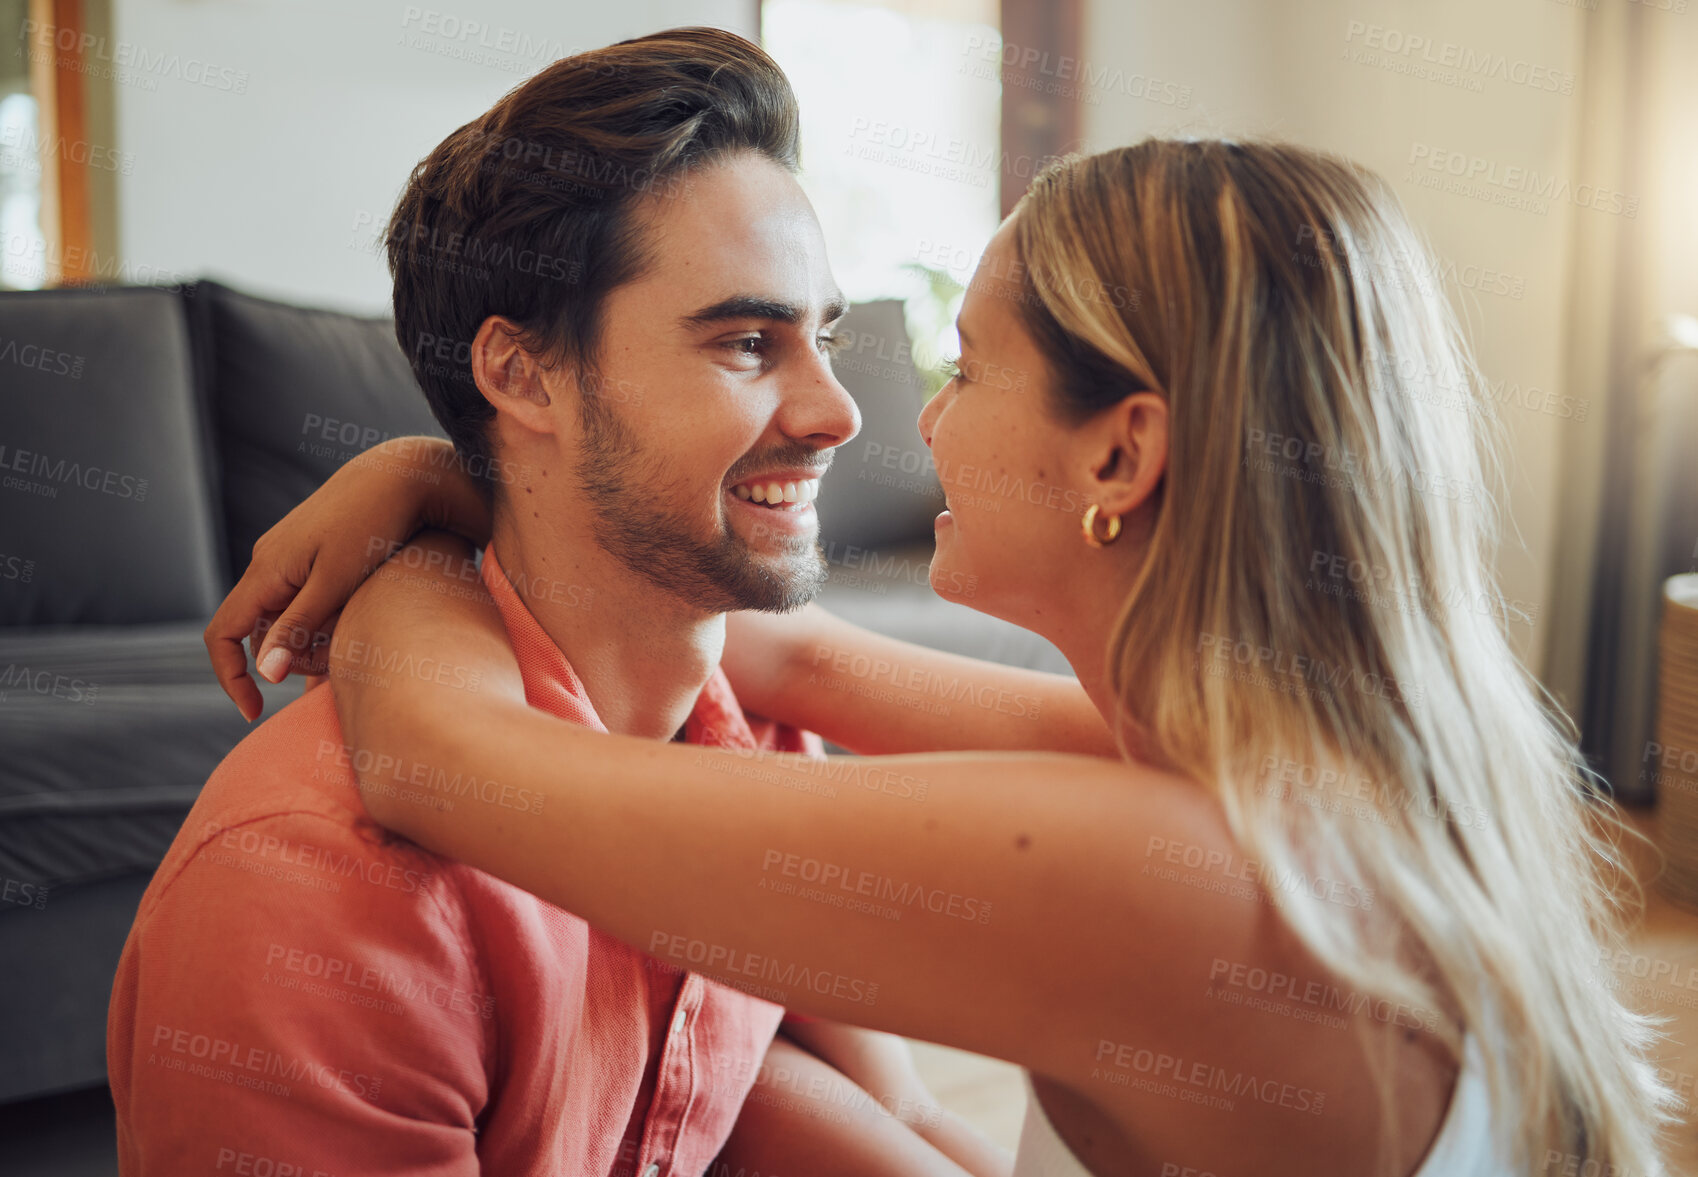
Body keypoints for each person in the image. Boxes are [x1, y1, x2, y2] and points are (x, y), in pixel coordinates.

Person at [215, 139, 1675, 1176]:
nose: (887, 420)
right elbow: (799, 664)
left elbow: (439, 762)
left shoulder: (1158, 873)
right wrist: (477, 463)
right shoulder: (1319, 765)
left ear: (1123, 447)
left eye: (964, 366)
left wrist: (415, 519)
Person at [113, 28, 1010, 1177]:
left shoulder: (759, 736)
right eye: (747, 340)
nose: (841, 411)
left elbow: (891, 1115)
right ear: (519, 373)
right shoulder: (318, 897)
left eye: (821, 336)